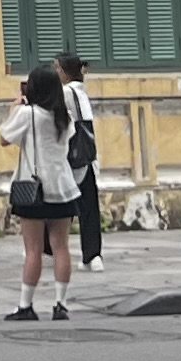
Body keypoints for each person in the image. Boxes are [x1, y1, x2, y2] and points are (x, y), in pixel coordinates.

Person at [0, 61, 79, 321]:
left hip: (34, 190)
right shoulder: (65, 116)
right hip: (64, 187)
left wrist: (14, 109)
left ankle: (26, 305)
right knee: (61, 248)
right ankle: (61, 304)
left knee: (33, 250)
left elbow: (4, 139)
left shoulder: (28, 114)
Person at [58, 52, 106, 266]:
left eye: (57, 68)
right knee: (88, 206)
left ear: (66, 72)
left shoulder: (65, 92)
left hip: (71, 155)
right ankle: (93, 254)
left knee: (59, 202)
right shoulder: (81, 91)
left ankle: (48, 247)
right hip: (87, 155)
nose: (55, 73)